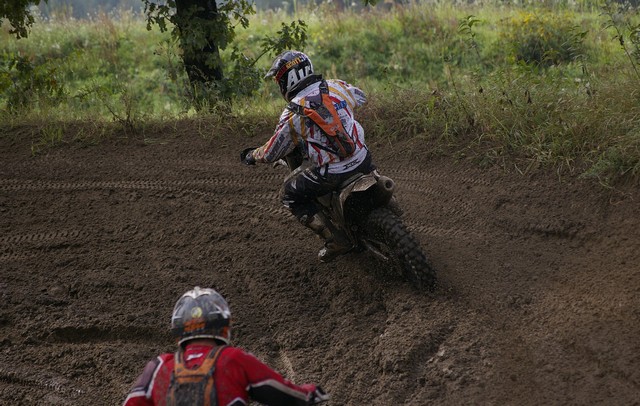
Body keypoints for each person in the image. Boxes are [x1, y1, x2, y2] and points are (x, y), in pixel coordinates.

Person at [241, 50, 375, 263]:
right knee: (363, 152)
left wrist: (252, 155)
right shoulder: (336, 86)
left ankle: (335, 240)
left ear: (285, 81)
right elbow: (361, 97)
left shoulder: (292, 112)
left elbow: (272, 152)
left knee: (288, 194)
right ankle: (382, 190)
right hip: (362, 158)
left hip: (330, 173)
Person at [123, 286, 329, 406]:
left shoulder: (159, 366)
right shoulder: (233, 359)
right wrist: (313, 392)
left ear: (178, 328)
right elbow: (286, 395)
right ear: (223, 325)